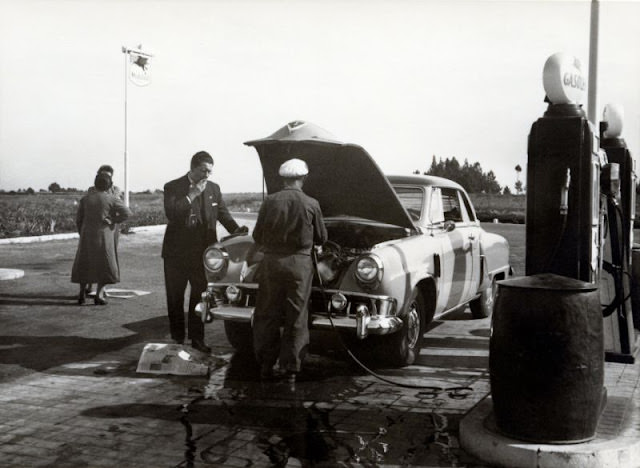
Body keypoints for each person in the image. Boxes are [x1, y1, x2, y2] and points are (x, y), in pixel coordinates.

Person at [162, 151, 248, 353]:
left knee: (200, 298)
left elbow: (223, 215)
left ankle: (197, 339)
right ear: (193, 168)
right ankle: (177, 338)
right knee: (175, 298)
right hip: (176, 255)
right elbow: (172, 213)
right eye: (203, 170)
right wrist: (192, 195)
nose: (207, 175)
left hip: (203, 255)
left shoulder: (214, 189)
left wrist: (236, 230)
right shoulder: (173, 186)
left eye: (210, 171)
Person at [252, 158, 327, 382]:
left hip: (271, 264)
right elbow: (322, 237)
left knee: (266, 313)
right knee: (297, 315)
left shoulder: (270, 201)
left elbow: (257, 236)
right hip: (299, 266)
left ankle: (266, 364)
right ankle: (291, 368)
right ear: (303, 178)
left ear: (283, 179)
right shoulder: (311, 203)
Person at [71, 173, 131, 305]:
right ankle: (99, 294)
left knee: (84, 264)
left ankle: (81, 294)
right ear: (109, 185)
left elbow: (79, 219)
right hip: (104, 236)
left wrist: (82, 232)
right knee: (105, 265)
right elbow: (127, 213)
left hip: (87, 236)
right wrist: (113, 220)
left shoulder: (85, 199)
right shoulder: (112, 199)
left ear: (95, 184)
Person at [86, 165, 124, 296]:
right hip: (96, 227)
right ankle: (90, 284)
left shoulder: (116, 190)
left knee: (108, 256)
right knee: (91, 254)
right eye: (103, 175)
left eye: (108, 175)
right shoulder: (92, 190)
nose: (106, 178)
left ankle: (102, 287)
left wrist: (113, 219)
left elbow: (119, 206)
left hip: (111, 227)